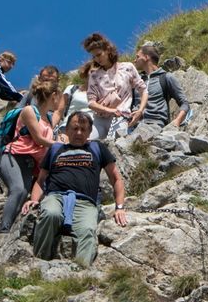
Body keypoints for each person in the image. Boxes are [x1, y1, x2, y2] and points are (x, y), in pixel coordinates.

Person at [23, 111, 129, 266]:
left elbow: (116, 178)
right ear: (66, 130)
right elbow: (40, 180)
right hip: (56, 197)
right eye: (74, 128)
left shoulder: (97, 148)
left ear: (89, 132)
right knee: (50, 215)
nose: (78, 133)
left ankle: (80, 273)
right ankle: (39, 263)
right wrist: (33, 200)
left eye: (83, 129)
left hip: (86, 202)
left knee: (86, 230)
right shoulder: (55, 149)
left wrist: (119, 207)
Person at [0, 78, 63, 234]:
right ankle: (3, 229)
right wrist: (60, 145)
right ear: (53, 95)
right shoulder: (29, 111)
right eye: (58, 97)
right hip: (13, 156)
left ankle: (10, 228)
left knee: (24, 194)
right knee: (18, 190)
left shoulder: (49, 119)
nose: (59, 102)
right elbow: (38, 138)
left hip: (31, 163)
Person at [81, 33, 147, 140]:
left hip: (120, 118)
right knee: (89, 143)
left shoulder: (127, 67)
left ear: (107, 50)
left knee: (116, 148)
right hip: (100, 120)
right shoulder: (94, 75)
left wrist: (140, 111)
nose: (97, 59)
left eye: (99, 54)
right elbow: (91, 103)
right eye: (94, 57)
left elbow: (143, 90)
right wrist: (109, 110)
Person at [133, 44, 190, 128]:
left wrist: (177, 121)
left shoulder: (166, 77)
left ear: (146, 57)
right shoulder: (137, 81)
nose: (134, 60)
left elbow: (184, 103)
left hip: (155, 127)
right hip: (132, 128)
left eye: (137, 57)